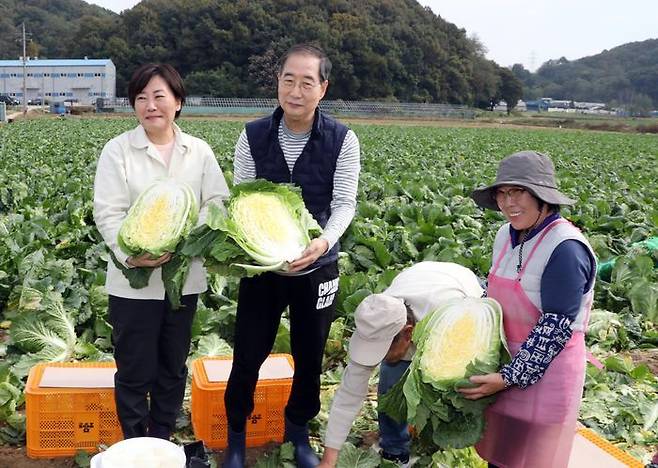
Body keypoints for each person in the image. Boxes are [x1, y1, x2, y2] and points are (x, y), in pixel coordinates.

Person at [222, 44, 360, 468]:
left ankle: (298, 432)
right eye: (288, 80)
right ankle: (236, 438)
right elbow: (241, 199)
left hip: (318, 267)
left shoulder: (343, 139)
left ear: (323, 88)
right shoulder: (253, 134)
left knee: (310, 352)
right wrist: (264, 253)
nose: (295, 90)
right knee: (248, 351)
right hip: (265, 267)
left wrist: (322, 243)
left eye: (307, 82)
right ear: (277, 83)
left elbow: (344, 204)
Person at [93, 63, 229, 440]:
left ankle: (163, 438)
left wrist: (186, 237)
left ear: (178, 101)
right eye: (140, 98)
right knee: (135, 370)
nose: (150, 105)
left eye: (159, 96)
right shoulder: (118, 150)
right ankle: (137, 443)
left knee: (172, 367)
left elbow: (217, 200)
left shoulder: (198, 152)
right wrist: (130, 255)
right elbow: (108, 212)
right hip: (131, 284)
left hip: (184, 282)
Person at [459, 151, 596, 468]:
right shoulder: (504, 236)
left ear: (542, 197)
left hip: (547, 376)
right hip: (504, 367)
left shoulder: (566, 248)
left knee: (533, 460)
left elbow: (556, 327)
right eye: (502, 193)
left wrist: (509, 377)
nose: (508, 203)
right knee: (501, 457)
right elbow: (491, 295)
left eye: (518, 192)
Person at [319, 262, 484, 467]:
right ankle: (395, 451)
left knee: (458, 387)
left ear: (407, 333)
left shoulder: (449, 315)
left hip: (462, 289)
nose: (378, 359)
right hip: (417, 280)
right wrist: (328, 460)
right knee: (392, 383)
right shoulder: (378, 319)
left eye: (383, 351)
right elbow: (348, 396)